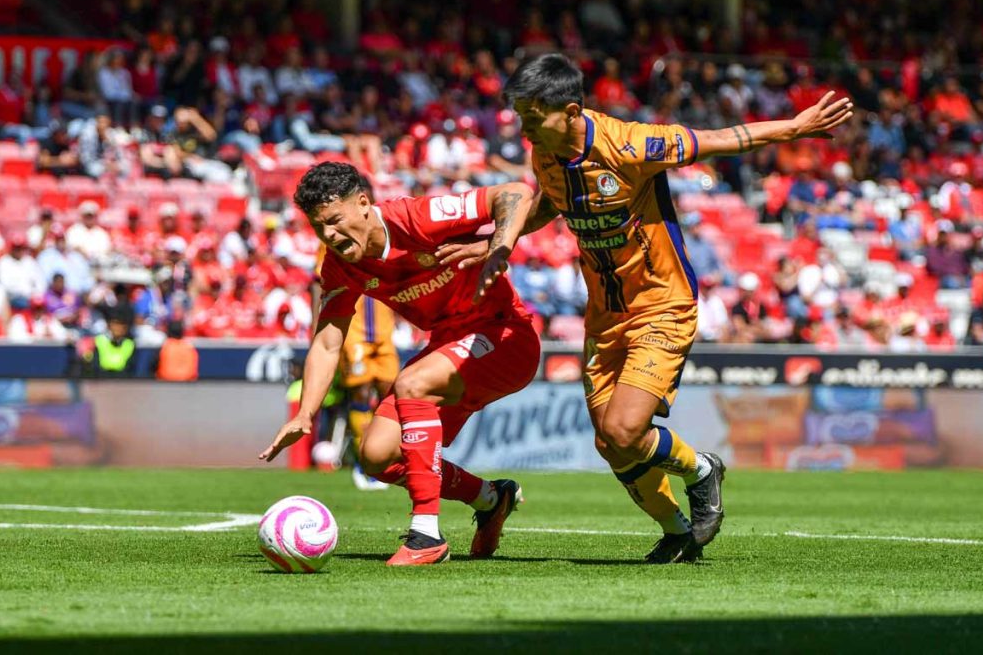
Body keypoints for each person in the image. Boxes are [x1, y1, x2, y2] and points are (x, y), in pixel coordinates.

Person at [440, 53, 853, 562]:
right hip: (604, 316)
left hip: (661, 303)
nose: (524, 130)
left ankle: (702, 469)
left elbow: (719, 139)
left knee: (622, 429)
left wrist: (795, 126)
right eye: (520, 117)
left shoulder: (631, 143)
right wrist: (495, 244)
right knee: (610, 443)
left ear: (570, 111)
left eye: (532, 117)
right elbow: (550, 202)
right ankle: (679, 532)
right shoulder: (545, 155)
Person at [259, 162, 540, 566]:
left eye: (335, 221)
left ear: (363, 204)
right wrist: (306, 413)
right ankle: (492, 498)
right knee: (377, 456)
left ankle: (426, 536)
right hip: (448, 346)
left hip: (504, 336)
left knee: (411, 383)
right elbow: (327, 339)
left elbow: (513, 192)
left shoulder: (415, 217)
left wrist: (499, 245)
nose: (329, 236)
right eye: (319, 227)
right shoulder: (341, 264)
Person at [341, 295, 398, 491]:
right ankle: (363, 460)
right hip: (355, 336)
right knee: (362, 394)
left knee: (391, 395)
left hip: (385, 336)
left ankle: (384, 457)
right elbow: (318, 283)